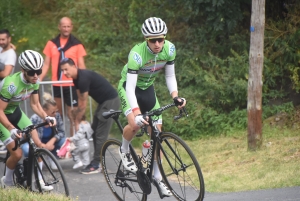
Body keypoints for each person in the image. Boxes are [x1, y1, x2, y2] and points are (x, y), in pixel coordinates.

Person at [117, 17, 186, 197]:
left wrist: (176, 96)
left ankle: (157, 177)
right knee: (135, 124)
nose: (157, 44)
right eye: (152, 40)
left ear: (164, 38)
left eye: (160, 39)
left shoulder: (169, 49)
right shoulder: (137, 55)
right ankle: (124, 149)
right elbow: (130, 88)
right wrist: (137, 113)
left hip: (147, 89)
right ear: (146, 40)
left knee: (156, 133)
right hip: (129, 89)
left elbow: (170, 77)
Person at [0, 50, 56, 190]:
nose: (36, 75)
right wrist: (10, 128)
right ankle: (6, 181)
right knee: (17, 153)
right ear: (23, 70)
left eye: (38, 71)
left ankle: (40, 181)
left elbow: (35, 105)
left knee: (38, 145)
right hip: (2, 116)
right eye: (32, 72)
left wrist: (46, 116)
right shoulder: (11, 85)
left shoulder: (34, 81)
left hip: (16, 112)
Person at [59, 58, 120, 174]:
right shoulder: (76, 79)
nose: (65, 73)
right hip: (103, 102)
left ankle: (96, 164)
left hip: (110, 101)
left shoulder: (83, 78)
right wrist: (73, 114)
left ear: (74, 66)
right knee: (95, 130)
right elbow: (78, 99)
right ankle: (98, 161)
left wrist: (77, 121)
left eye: (66, 69)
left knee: (100, 134)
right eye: (62, 70)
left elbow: (83, 103)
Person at [40, 16, 87, 137]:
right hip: (57, 84)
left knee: (73, 115)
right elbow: (46, 65)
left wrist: (84, 82)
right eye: (64, 26)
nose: (66, 29)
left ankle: (72, 143)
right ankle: (59, 142)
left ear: (71, 27)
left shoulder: (77, 44)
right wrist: (38, 80)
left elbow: (81, 66)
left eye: (68, 26)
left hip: (72, 85)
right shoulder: (51, 44)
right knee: (57, 114)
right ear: (59, 27)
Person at [21, 92, 66, 170]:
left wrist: (52, 140)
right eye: (53, 112)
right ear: (44, 110)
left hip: (49, 143)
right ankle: (33, 161)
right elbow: (27, 134)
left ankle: (52, 156)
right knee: (26, 148)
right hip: (36, 142)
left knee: (63, 141)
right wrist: (40, 144)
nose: (55, 114)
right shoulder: (35, 118)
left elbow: (62, 132)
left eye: (56, 111)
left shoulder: (57, 116)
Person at [0, 29, 17, 154]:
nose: (1, 42)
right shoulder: (1, 50)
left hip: (4, 90)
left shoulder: (10, 54)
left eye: (3, 39)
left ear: (9, 39)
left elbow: (6, 73)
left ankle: (3, 142)